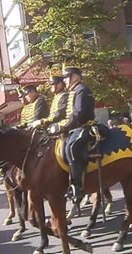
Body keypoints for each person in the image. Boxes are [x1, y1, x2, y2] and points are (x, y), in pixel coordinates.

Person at [47, 66, 96, 200]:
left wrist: (62, 126)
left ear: (74, 77)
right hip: (74, 127)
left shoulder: (82, 90)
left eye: (66, 78)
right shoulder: (73, 91)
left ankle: (78, 186)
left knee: (71, 147)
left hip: (84, 126)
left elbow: (78, 115)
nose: (64, 81)